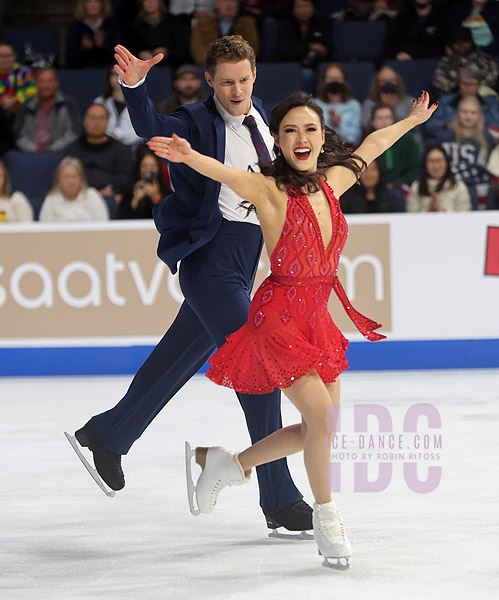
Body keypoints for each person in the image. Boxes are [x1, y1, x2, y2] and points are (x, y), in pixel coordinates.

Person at [147, 89, 436, 565]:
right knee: (322, 421)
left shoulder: (333, 183)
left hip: (316, 319)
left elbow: (373, 144)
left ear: (323, 138)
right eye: (289, 131)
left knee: (320, 426)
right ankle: (328, 520)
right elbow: (224, 173)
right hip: (278, 318)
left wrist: (411, 122)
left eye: (310, 129)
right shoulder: (267, 189)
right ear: (277, 141)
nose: (301, 138)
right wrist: (189, 155)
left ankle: (229, 464)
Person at [67, 36, 314, 536]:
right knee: (259, 365)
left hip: (246, 260)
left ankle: (107, 435)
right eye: (226, 82)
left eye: (244, 79)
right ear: (209, 81)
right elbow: (152, 127)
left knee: (176, 359)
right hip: (211, 260)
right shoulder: (196, 121)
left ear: (254, 76)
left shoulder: (262, 117)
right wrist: (135, 85)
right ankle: (279, 497)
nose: (237, 90)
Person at [65, 103, 133, 216]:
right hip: (77, 200)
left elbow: (125, 178)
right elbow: (64, 176)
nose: (97, 123)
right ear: (84, 121)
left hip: (111, 199)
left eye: (102, 118)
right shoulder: (72, 150)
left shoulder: (121, 150)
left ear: (108, 122)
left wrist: (111, 191)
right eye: (92, 118)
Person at [432, 95, 494, 209]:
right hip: (451, 183)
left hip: (479, 185)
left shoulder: (487, 137)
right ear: (457, 113)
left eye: (473, 112)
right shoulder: (445, 135)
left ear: (479, 115)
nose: (468, 116)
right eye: (464, 111)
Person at [13, 67, 81, 153]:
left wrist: (52, 149)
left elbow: (74, 133)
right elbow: (18, 135)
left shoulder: (69, 104)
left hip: (60, 154)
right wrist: (32, 149)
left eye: (49, 81)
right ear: (35, 83)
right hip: (30, 154)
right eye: (41, 81)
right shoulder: (25, 106)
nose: (45, 85)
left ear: (56, 83)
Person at [425, 65, 499, 139]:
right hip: (450, 141)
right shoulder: (446, 101)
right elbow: (430, 125)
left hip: (483, 141)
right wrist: (446, 125)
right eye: (464, 83)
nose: (467, 87)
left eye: (471, 84)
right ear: (459, 83)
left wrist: (476, 127)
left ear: (479, 85)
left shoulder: (490, 103)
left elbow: (496, 126)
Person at [431, 24, 498, 97]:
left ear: (471, 42)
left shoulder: (485, 59)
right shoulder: (445, 62)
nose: (462, 45)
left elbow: (492, 80)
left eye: (465, 42)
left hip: (484, 99)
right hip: (455, 101)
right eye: (457, 43)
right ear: (450, 45)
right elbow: (439, 86)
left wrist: (473, 86)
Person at [189, 0, 260, 66]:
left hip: (238, 68)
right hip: (209, 68)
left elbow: (251, 49)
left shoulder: (247, 23)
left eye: (233, 1)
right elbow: (197, 48)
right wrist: (214, 65)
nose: (229, 4)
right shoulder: (204, 23)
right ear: (216, 2)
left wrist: (233, 65)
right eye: (225, 0)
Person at [39, 156, 109, 222]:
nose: (71, 181)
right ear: (59, 180)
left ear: (81, 179)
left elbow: (103, 225)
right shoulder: (51, 199)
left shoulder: (92, 196)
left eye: (74, 176)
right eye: (66, 177)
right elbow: (44, 228)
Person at [369, 103, 421, 188]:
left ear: (393, 120)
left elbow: (416, 168)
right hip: (376, 188)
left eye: (388, 117)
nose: (384, 122)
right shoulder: (368, 143)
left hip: (404, 186)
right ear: (372, 122)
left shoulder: (407, 139)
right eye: (380, 118)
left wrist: (398, 184)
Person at [407, 144, 471, 212]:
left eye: (439, 160)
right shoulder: (416, 187)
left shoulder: (459, 187)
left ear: (446, 163)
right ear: (425, 164)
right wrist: (429, 211)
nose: (436, 166)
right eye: (432, 161)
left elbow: (464, 217)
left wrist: (441, 211)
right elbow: (411, 217)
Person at [94, 65, 144, 149]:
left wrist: (118, 135)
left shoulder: (141, 102)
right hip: (103, 149)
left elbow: (143, 130)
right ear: (109, 78)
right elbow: (94, 127)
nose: (118, 77)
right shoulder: (100, 102)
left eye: (122, 73)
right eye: (114, 74)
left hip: (133, 151)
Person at [272, 0, 332, 69]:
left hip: (315, 65)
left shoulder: (322, 25)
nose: (303, 10)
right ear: (293, 10)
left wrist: (315, 54)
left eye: (306, 6)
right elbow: (284, 51)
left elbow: (327, 48)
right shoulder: (286, 26)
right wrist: (309, 47)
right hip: (289, 65)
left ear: (313, 8)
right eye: (299, 7)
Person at [313, 62, 362, 146]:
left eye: (338, 78)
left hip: (347, 149)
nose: (334, 81)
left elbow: (355, 138)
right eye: (330, 78)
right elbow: (312, 134)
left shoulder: (354, 105)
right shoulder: (314, 104)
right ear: (324, 81)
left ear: (344, 81)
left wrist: (339, 124)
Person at [116, 144, 171, 218]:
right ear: (139, 168)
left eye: (153, 166)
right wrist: (135, 199)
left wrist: (156, 197)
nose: (148, 169)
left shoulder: (166, 190)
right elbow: (121, 220)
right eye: (144, 166)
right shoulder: (130, 189)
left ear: (158, 168)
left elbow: (171, 218)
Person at [129, 0, 189, 67]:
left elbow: (182, 49)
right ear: (141, 3)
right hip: (141, 66)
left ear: (160, 2)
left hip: (170, 67)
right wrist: (139, 54)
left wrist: (166, 51)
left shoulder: (173, 23)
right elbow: (129, 47)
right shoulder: (135, 24)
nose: (150, 3)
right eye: (146, 0)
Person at [65, 0, 121, 68]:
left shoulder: (112, 26)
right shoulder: (75, 28)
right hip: (82, 72)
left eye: (97, 1)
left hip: (106, 71)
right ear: (83, 5)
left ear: (102, 4)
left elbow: (118, 58)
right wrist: (83, 48)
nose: (93, 5)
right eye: (89, 1)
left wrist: (102, 45)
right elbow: (69, 61)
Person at [340, 159, 405, 213]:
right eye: (364, 170)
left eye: (373, 169)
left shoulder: (392, 197)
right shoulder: (347, 198)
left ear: (380, 172)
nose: (369, 174)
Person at [361, 66, 414, 132]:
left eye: (392, 80)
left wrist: (390, 109)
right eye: (384, 81)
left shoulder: (410, 102)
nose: (388, 84)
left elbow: (414, 125)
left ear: (398, 82)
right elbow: (366, 125)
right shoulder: (369, 103)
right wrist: (382, 106)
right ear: (377, 83)